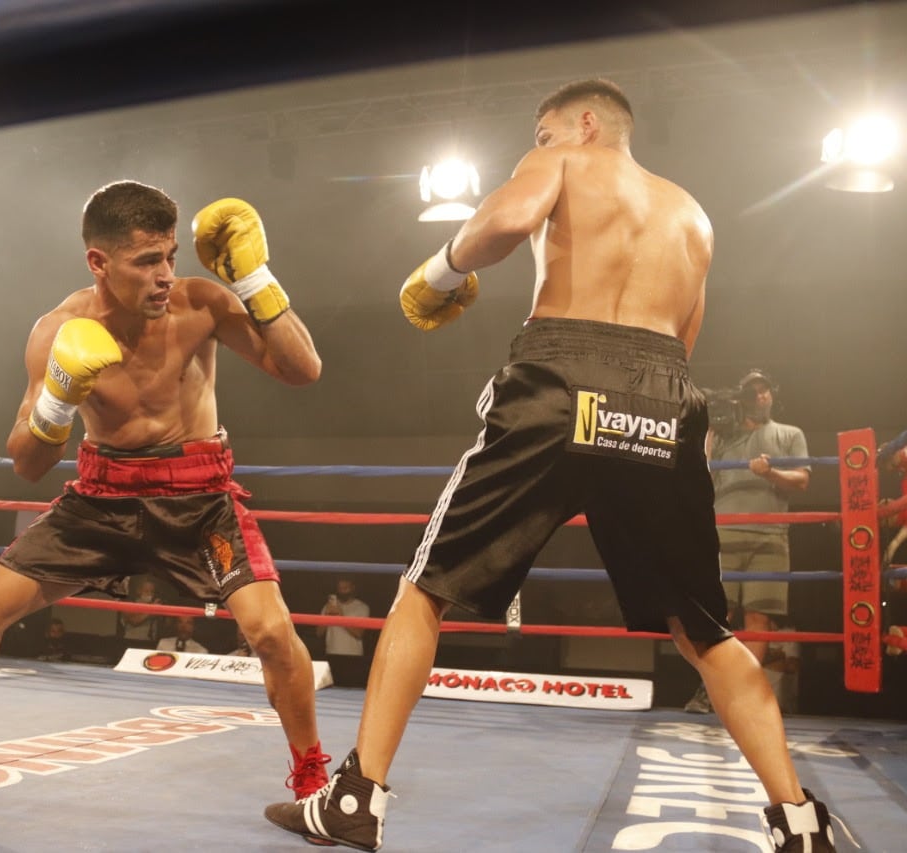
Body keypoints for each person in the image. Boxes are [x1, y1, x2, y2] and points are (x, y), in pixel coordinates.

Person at [264, 79, 836, 852]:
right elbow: (684, 341)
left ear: (585, 124)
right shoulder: (692, 215)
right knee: (704, 626)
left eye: (542, 134)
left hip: (561, 375)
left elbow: (505, 217)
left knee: (424, 588)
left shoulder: (569, 161)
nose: (536, 148)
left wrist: (440, 269)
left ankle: (357, 798)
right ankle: (798, 821)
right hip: (664, 397)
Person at [0, 181, 332, 804]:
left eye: (170, 256)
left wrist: (255, 280)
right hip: (102, 497)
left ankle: (313, 779)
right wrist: (60, 397)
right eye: (147, 261)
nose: (166, 274)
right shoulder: (57, 331)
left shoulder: (203, 305)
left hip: (199, 499)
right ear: (99, 262)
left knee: (273, 633)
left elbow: (304, 371)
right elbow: (29, 464)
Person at [686, 369, 809, 713]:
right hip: (724, 532)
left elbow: (801, 481)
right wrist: (709, 431)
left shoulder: (790, 433)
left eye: (766, 390)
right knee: (716, 614)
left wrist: (770, 473)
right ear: (743, 399)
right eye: (754, 392)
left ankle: (744, 693)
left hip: (770, 536)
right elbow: (700, 472)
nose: (762, 397)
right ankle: (709, 688)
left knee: (759, 618)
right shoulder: (724, 438)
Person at [316, 576, 371, 687]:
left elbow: (359, 634)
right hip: (331, 654)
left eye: (345, 588)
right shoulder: (328, 607)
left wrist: (341, 616)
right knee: (331, 690)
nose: (342, 591)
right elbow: (319, 633)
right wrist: (327, 616)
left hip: (353, 656)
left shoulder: (361, 607)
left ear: (352, 588)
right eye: (340, 588)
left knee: (352, 690)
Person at [119, 576, 164, 647]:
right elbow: (134, 621)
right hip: (131, 642)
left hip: (150, 643)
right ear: (138, 591)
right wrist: (152, 609)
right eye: (146, 591)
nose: (150, 594)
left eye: (152, 592)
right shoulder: (129, 605)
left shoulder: (154, 605)